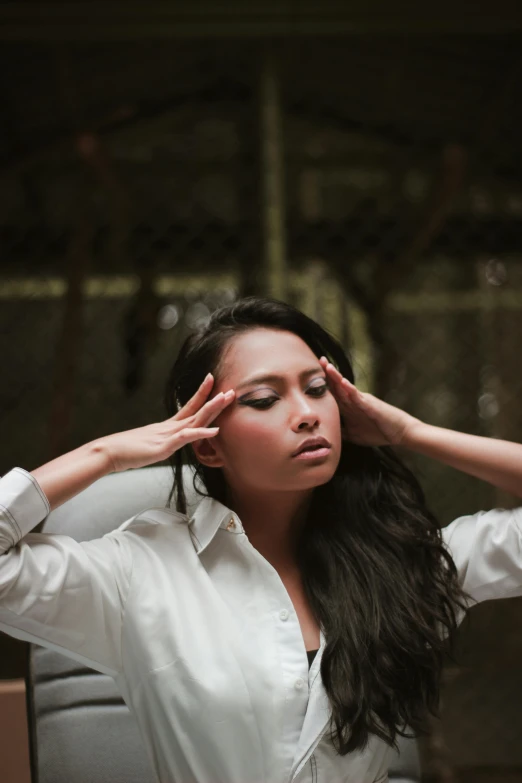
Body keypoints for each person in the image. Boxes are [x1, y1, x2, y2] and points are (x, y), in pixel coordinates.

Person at [0, 295, 521, 783]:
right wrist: (104, 456)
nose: (307, 414)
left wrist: (412, 433)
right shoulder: (140, 571)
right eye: (265, 399)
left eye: (318, 390)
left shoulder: (407, 564)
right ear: (208, 446)